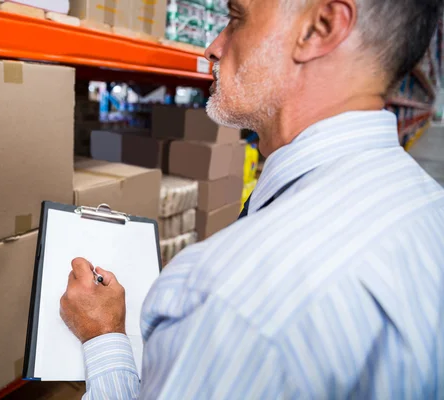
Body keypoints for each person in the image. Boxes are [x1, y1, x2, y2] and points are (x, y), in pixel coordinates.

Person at [60, 0, 444, 398]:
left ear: (321, 28)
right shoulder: (428, 206)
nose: (212, 46)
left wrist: (103, 335)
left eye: (236, 18)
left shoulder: (231, 300)